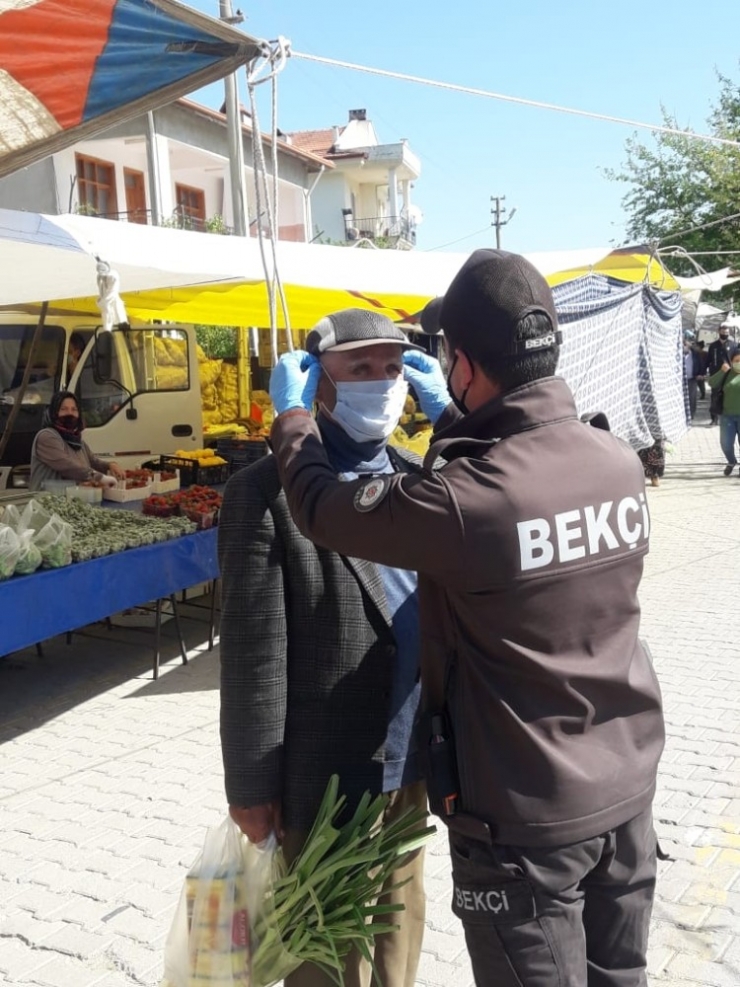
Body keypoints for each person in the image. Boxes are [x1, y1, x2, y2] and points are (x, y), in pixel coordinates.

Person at [267, 249, 665, 987]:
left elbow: (322, 507)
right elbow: (520, 489)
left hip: (525, 825)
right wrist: (453, 415)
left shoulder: (465, 499)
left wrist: (293, 418)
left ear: (466, 366)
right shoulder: (617, 461)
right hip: (627, 794)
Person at [218, 310, 428, 987]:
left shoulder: (418, 475)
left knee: (398, 933)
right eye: (361, 367)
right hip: (325, 777)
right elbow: (253, 653)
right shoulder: (265, 494)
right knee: (326, 959)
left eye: (392, 367)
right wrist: (251, 785)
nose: (383, 382)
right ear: (317, 380)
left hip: (408, 762)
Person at [29, 391, 125, 490]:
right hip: (47, 501)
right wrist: (98, 477)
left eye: (74, 409)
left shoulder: (77, 441)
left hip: (72, 500)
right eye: (64, 409)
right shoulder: (47, 436)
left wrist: (110, 466)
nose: (70, 413)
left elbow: (93, 462)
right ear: (54, 412)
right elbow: (67, 466)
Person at [708, 349, 740, 476]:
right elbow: (711, 382)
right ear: (731, 362)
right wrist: (722, 371)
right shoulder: (727, 373)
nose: (739, 363)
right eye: (736, 361)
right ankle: (731, 461)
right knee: (726, 444)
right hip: (727, 416)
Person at [706, 323, 737, 424]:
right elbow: (708, 360)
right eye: (723, 332)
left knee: (728, 395)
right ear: (719, 332)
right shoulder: (713, 346)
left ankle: (727, 416)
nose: (725, 334)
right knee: (715, 396)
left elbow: (736, 360)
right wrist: (703, 372)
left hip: (729, 375)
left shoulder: (733, 345)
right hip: (716, 375)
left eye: (727, 333)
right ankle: (714, 419)